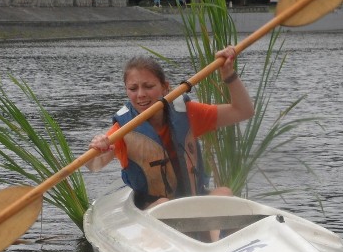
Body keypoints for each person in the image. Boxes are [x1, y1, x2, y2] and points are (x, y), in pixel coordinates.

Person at [87, 46, 254, 210]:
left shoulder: (188, 114)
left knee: (224, 192)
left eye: (148, 86)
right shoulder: (122, 130)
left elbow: (243, 111)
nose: (141, 94)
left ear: (165, 87)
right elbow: (94, 165)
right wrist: (99, 146)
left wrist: (229, 74)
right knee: (163, 205)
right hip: (151, 208)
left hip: (192, 200)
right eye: (133, 89)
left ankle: (218, 236)